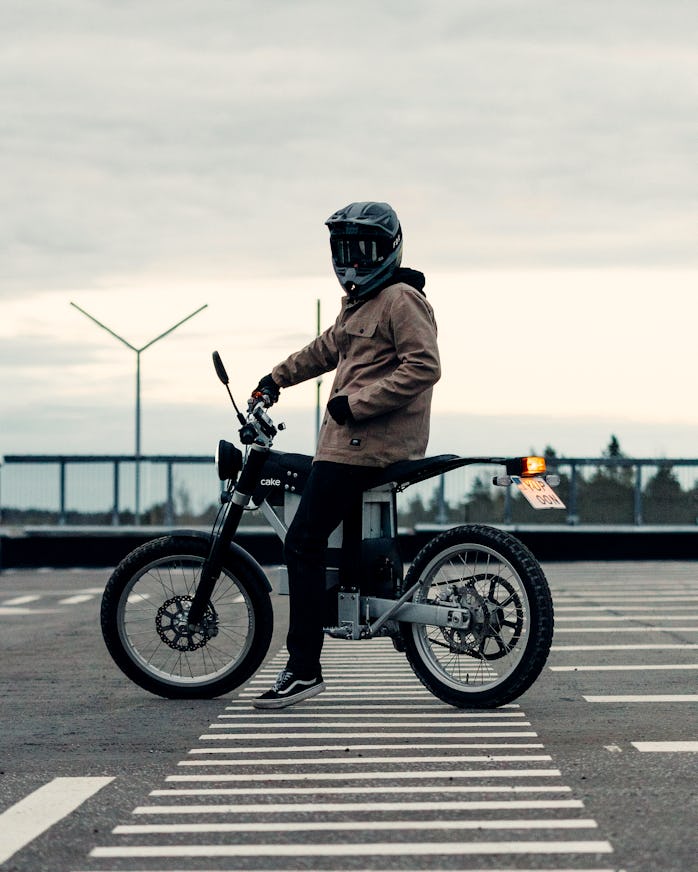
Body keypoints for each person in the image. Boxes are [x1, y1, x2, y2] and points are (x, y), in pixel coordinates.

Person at [251, 201, 441, 709]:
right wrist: (274, 379)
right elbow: (324, 349)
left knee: (302, 543)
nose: (354, 259)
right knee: (319, 541)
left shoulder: (402, 299)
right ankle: (356, 608)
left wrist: (356, 405)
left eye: (365, 248)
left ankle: (304, 668)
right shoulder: (362, 305)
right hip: (348, 444)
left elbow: (423, 366)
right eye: (345, 248)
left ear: (389, 249)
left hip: (367, 445)